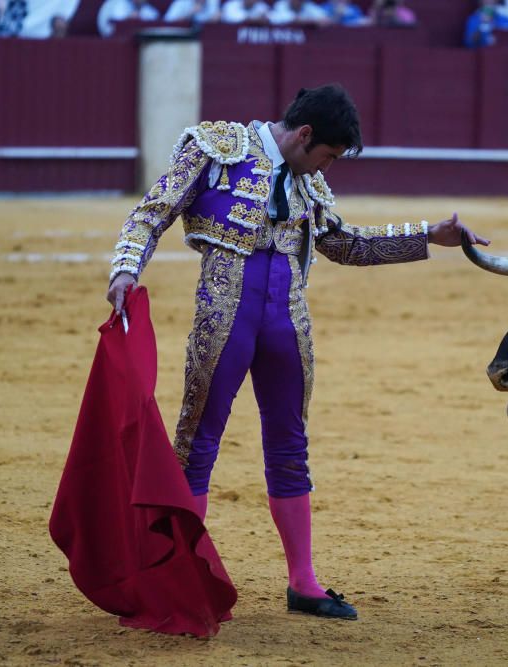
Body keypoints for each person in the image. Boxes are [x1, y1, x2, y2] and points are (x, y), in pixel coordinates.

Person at [106, 84, 488, 620]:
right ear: (305, 135)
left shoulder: (312, 183)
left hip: (288, 320)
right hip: (226, 315)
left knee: (290, 446)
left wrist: (428, 236)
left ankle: (303, 582)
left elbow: (345, 244)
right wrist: (126, 268)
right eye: (328, 155)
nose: (327, 169)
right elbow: (152, 212)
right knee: (197, 444)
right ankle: (178, 572)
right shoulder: (215, 146)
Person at [267, 0, 332, 26]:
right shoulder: (280, 5)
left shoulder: (308, 6)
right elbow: (272, 19)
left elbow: (326, 19)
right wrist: (312, 21)